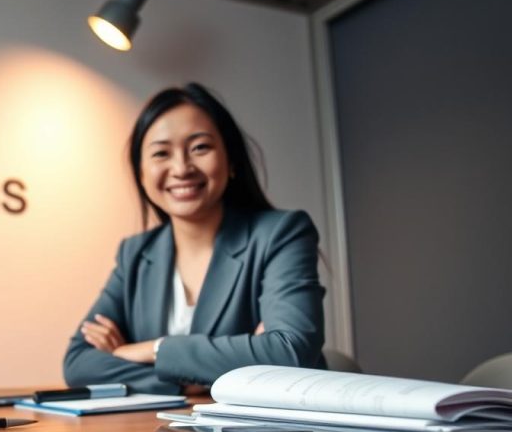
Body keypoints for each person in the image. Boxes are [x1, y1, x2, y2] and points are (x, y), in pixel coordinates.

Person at [63, 83, 325, 394]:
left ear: (231, 162)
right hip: (161, 431)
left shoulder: (281, 233)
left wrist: (156, 350)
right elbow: (79, 363)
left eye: (200, 147)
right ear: (141, 173)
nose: (181, 168)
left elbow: (290, 352)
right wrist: (189, 383)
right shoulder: (136, 253)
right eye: (161, 153)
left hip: (273, 431)